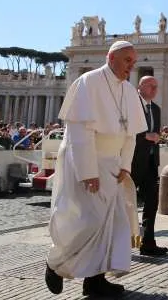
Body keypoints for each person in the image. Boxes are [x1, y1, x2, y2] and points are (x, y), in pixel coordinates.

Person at [45, 41, 148, 297]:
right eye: (127, 60)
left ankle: (95, 280)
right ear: (111, 57)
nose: (131, 66)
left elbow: (131, 134)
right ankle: (55, 265)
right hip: (86, 161)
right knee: (87, 222)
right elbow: (79, 132)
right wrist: (87, 171)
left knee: (111, 224)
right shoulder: (88, 82)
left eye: (133, 62)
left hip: (112, 165)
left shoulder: (128, 90)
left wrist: (125, 164)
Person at [131, 76, 168, 256]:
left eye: (156, 86)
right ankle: (125, 244)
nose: (154, 89)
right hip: (131, 162)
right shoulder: (131, 104)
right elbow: (125, 130)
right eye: (150, 85)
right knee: (126, 205)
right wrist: (145, 136)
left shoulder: (156, 108)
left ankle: (147, 243)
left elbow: (156, 133)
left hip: (151, 162)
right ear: (140, 86)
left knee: (152, 203)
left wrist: (154, 137)